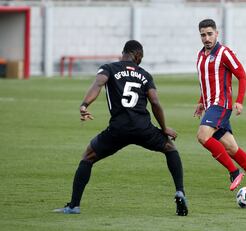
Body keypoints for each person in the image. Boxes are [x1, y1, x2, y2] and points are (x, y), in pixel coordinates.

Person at [53, 40, 188, 216]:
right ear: (137, 55)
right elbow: (154, 102)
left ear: (123, 52)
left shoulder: (109, 68)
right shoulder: (144, 74)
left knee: (87, 157)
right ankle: (180, 191)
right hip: (143, 128)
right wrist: (164, 128)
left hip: (118, 129)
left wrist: (84, 105)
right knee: (170, 148)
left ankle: (73, 206)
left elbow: (98, 84)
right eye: (141, 58)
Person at [194, 19, 246, 195]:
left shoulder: (224, 53)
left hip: (221, 105)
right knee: (231, 148)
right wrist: (201, 101)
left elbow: (242, 76)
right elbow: (206, 81)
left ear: (216, 33)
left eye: (209, 34)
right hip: (210, 106)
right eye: (203, 35)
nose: (206, 38)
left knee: (202, 136)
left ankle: (234, 171)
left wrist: (240, 100)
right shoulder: (201, 55)